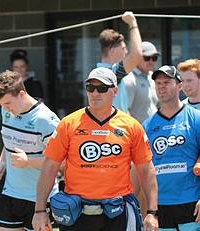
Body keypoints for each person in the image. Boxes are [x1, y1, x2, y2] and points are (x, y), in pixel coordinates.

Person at [32, 67, 158, 231]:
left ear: (115, 91)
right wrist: (40, 210)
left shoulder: (132, 126)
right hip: (77, 214)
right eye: (90, 88)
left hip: (117, 213)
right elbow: (49, 168)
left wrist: (152, 212)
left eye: (102, 88)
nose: (95, 93)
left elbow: (146, 170)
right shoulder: (68, 124)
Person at [0, 70, 59, 231]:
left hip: (40, 200)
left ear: (21, 94)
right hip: (10, 194)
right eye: (2, 105)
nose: (6, 109)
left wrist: (28, 162)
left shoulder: (46, 120)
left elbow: (62, 161)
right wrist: (2, 162)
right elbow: (10, 138)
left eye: (8, 104)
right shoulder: (6, 110)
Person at [143, 65, 200, 231]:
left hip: (191, 204)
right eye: (158, 83)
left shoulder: (195, 118)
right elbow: (143, 170)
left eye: (167, 82)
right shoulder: (147, 125)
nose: (161, 86)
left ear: (180, 86)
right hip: (160, 206)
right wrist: (148, 211)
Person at [97, 11, 142, 112]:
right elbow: (137, 55)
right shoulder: (110, 73)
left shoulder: (100, 72)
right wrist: (132, 23)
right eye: (123, 48)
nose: (126, 52)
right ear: (112, 51)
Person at [124, 41, 159, 123]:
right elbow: (124, 111)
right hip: (138, 133)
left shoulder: (153, 77)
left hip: (155, 131)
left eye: (154, 58)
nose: (151, 61)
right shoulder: (129, 79)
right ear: (137, 58)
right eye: (147, 58)